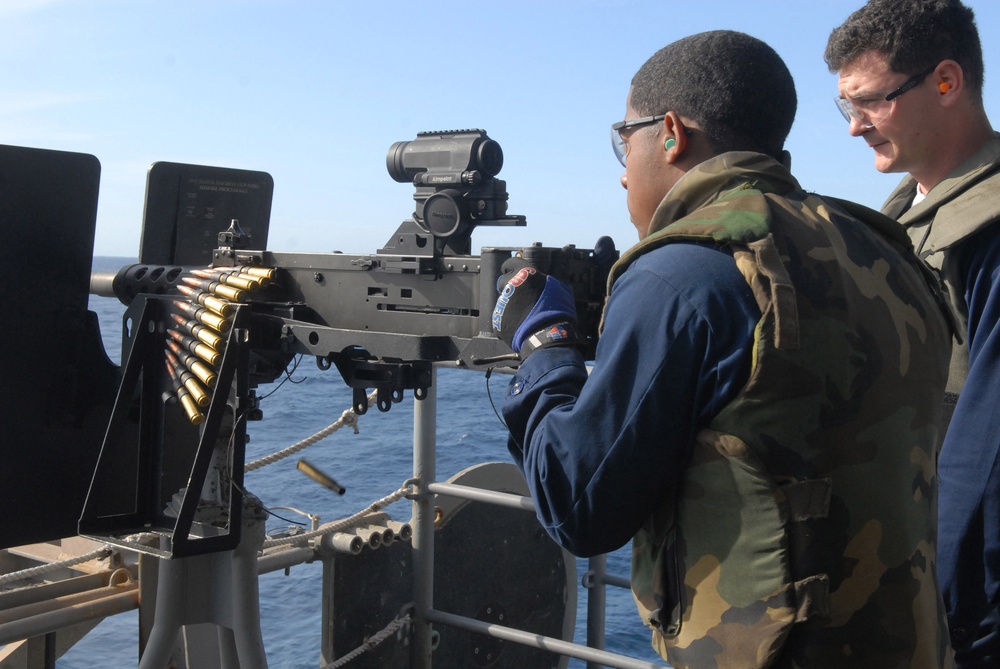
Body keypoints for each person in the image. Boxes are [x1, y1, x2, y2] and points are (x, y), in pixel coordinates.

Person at [492, 29, 955, 668]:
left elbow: (579, 508)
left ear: (672, 134)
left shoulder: (679, 272)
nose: (625, 169)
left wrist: (543, 347)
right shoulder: (882, 248)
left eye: (625, 139)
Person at [825, 1, 1000, 666]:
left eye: (870, 103)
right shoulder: (902, 220)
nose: (854, 128)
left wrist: (950, 624)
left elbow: (983, 461)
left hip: (958, 616)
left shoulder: (989, 230)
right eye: (846, 107)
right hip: (898, 586)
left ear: (947, 82)